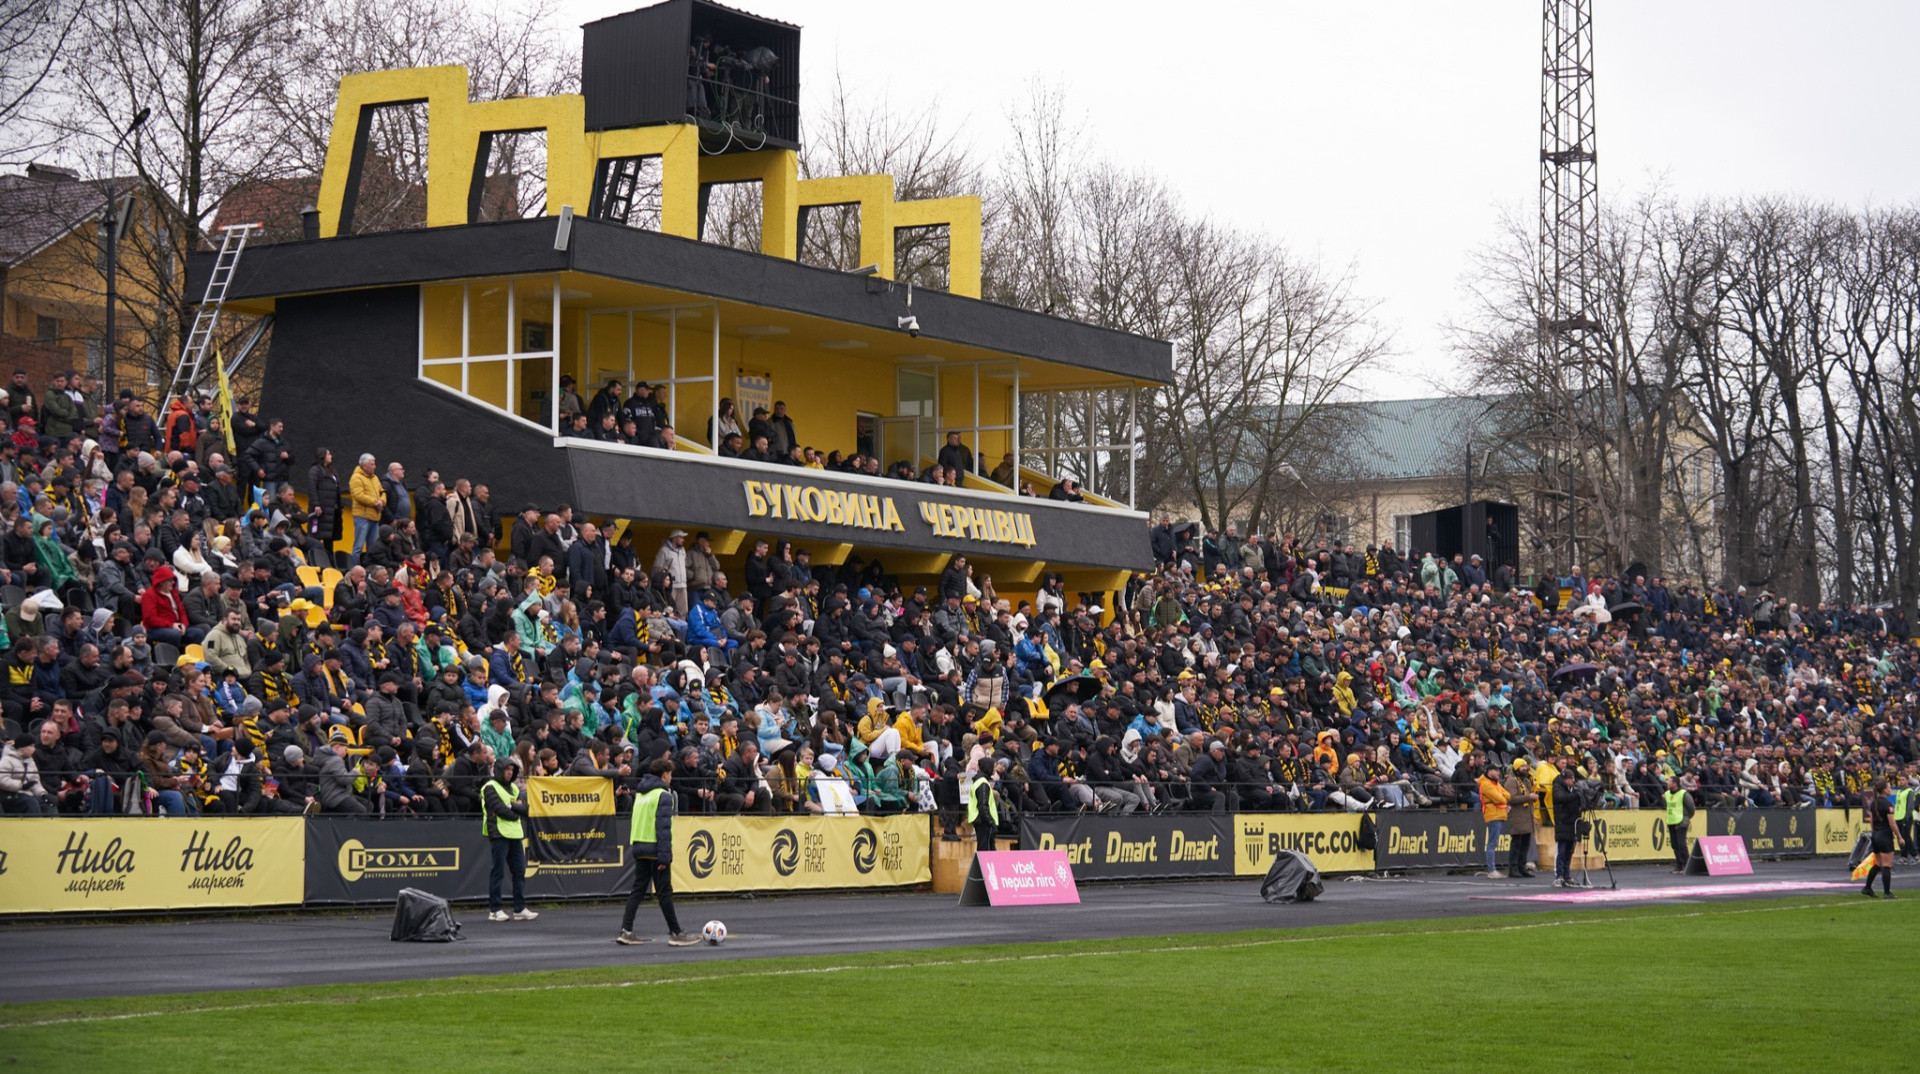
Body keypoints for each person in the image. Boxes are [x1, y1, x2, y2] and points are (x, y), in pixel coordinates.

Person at [617, 757, 699, 946]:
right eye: (670, 774)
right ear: (664, 774)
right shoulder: (663, 795)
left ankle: (626, 930)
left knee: (637, 890)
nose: (671, 778)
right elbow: (663, 829)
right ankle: (676, 933)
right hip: (655, 847)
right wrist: (664, 856)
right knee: (664, 892)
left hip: (639, 845)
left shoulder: (641, 794)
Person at [482, 755, 537, 921]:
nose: (509, 773)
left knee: (519, 871)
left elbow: (526, 809)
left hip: (515, 833)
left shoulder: (513, 787)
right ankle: (495, 909)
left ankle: (519, 909)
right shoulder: (489, 787)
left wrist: (512, 806)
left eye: (512, 770)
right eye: (507, 769)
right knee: (498, 872)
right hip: (498, 832)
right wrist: (515, 810)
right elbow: (499, 809)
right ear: (499, 770)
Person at [1502, 759, 1539, 878]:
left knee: (1525, 843)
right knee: (1516, 844)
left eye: (1525, 766)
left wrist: (1532, 797)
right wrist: (1529, 797)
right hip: (1517, 816)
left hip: (1527, 816)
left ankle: (1521, 867)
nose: (1525, 768)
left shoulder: (1526, 780)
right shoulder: (1512, 781)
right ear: (1516, 768)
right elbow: (1511, 798)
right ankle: (1513, 868)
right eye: (1522, 766)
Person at [1550, 766, 1586, 888]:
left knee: (1569, 852)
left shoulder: (1572, 788)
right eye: (1572, 779)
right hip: (1563, 823)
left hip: (1572, 824)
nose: (1574, 781)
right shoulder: (1557, 787)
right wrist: (1576, 795)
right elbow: (1559, 798)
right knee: (1562, 852)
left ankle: (1566, 875)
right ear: (1565, 779)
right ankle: (1559, 876)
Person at [1863, 778, 1896, 899]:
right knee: (1887, 864)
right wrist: (1900, 836)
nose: (1890, 789)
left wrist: (1874, 832)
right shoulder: (1888, 804)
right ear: (1884, 790)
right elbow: (1892, 823)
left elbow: (1871, 820)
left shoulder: (1873, 803)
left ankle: (1867, 887)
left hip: (1876, 835)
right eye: (1889, 787)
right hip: (1885, 835)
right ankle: (1887, 892)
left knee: (1878, 863)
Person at [1478, 761, 1509, 879]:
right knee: (1491, 844)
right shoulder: (1486, 784)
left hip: (1499, 814)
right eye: (1496, 771)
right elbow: (1499, 798)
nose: (1499, 773)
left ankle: (1492, 869)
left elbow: (1508, 795)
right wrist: (1503, 798)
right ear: (1490, 772)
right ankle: (1491, 870)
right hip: (1493, 815)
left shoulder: (1495, 783)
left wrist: (1502, 798)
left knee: (1493, 843)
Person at [1662, 775, 1695, 874]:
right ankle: (1679, 865)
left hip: (1681, 822)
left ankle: (1687, 865)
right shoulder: (1667, 794)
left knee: (1681, 844)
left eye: (1669, 781)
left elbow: (1691, 808)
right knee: (1674, 845)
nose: (1667, 783)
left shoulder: (1684, 794)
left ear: (1675, 784)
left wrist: (1685, 820)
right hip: (1671, 821)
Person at [966, 757, 999, 856]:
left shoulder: (979, 781)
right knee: (986, 850)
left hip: (981, 820)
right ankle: (984, 871)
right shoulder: (983, 783)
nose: (995, 769)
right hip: (983, 821)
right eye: (993, 767)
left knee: (986, 848)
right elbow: (983, 805)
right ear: (988, 768)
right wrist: (990, 822)